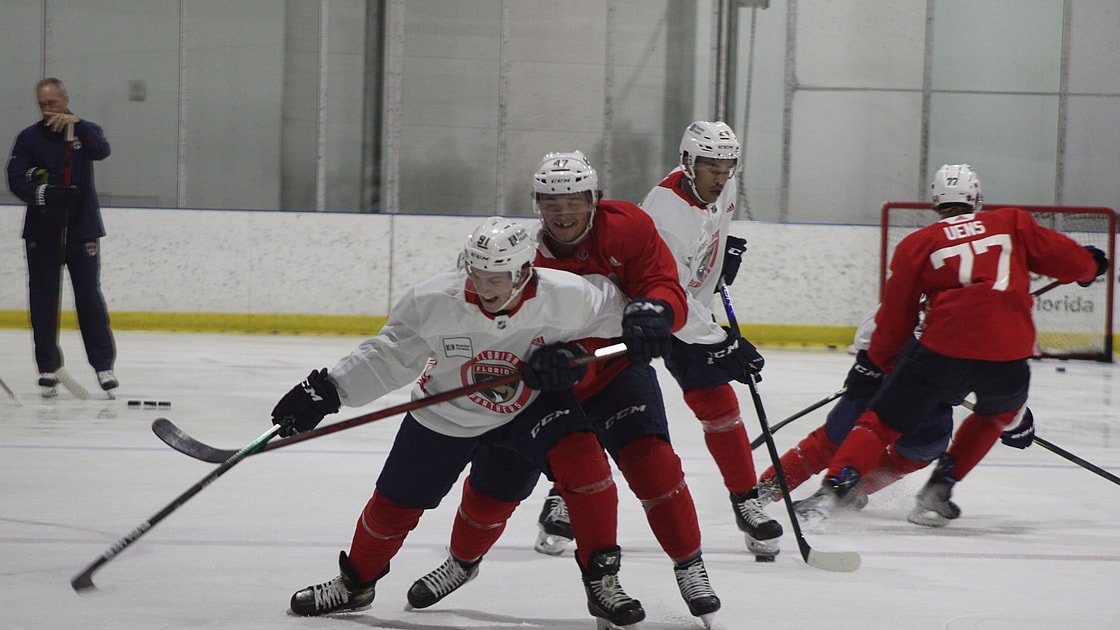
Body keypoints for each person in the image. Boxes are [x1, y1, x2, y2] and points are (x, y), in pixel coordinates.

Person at [274, 217, 646, 628]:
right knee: (394, 506)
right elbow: (389, 355)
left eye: (496, 279)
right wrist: (327, 391)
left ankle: (600, 580)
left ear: (524, 271)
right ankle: (355, 585)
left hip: (530, 407)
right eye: (478, 274)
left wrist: (582, 351)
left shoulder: (568, 295)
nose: (483, 288)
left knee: (570, 470)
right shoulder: (435, 299)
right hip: (445, 411)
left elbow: (624, 320)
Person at [415, 151, 723, 626]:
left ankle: (690, 566)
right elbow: (485, 321)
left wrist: (656, 311)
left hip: (615, 373)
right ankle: (462, 562)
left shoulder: (629, 227)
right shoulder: (518, 253)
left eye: (574, 201)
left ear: (595, 200)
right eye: (552, 202)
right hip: (545, 386)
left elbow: (663, 285)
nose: (563, 213)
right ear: (537, 204)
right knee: (495, 485)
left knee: (655, 466)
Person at [794, 163, 1108, 526]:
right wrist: (1091, 265)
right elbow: (1069, 261)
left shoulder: (918, 243)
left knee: (881, 422)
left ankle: (831, 491)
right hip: (1009, 350)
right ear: (977, 199)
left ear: (935, 203)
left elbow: (898, 317)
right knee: (995, 415)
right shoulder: (1012, 223)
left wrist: (874, 365)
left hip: (942, 347)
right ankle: (939, 488)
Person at [537, 122, 781, 560]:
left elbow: (709, 234)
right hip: (650, 317)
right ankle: (563, 496)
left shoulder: (720, 187)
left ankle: (746, 500)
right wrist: (720, 343)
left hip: (691, 310)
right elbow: (671, 293)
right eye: (711, 166)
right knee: (602, 399)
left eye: (728, 167)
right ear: (688, 163)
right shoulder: (665, 212)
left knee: (719, 404)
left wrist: (723, 255)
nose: (721, 176)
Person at [6, 77, 117, 397]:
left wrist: (78, 125)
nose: (47, 109)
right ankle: (48, 368)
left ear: (65, 99)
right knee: (43, 302)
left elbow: (102, 151)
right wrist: (46, 194)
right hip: (42, 232)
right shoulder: (29, 137)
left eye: (52, 103)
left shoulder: (85, 131)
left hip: (82, 230)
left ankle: (103, 365)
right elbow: (15, 178)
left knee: (90, 299)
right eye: (42, 104)